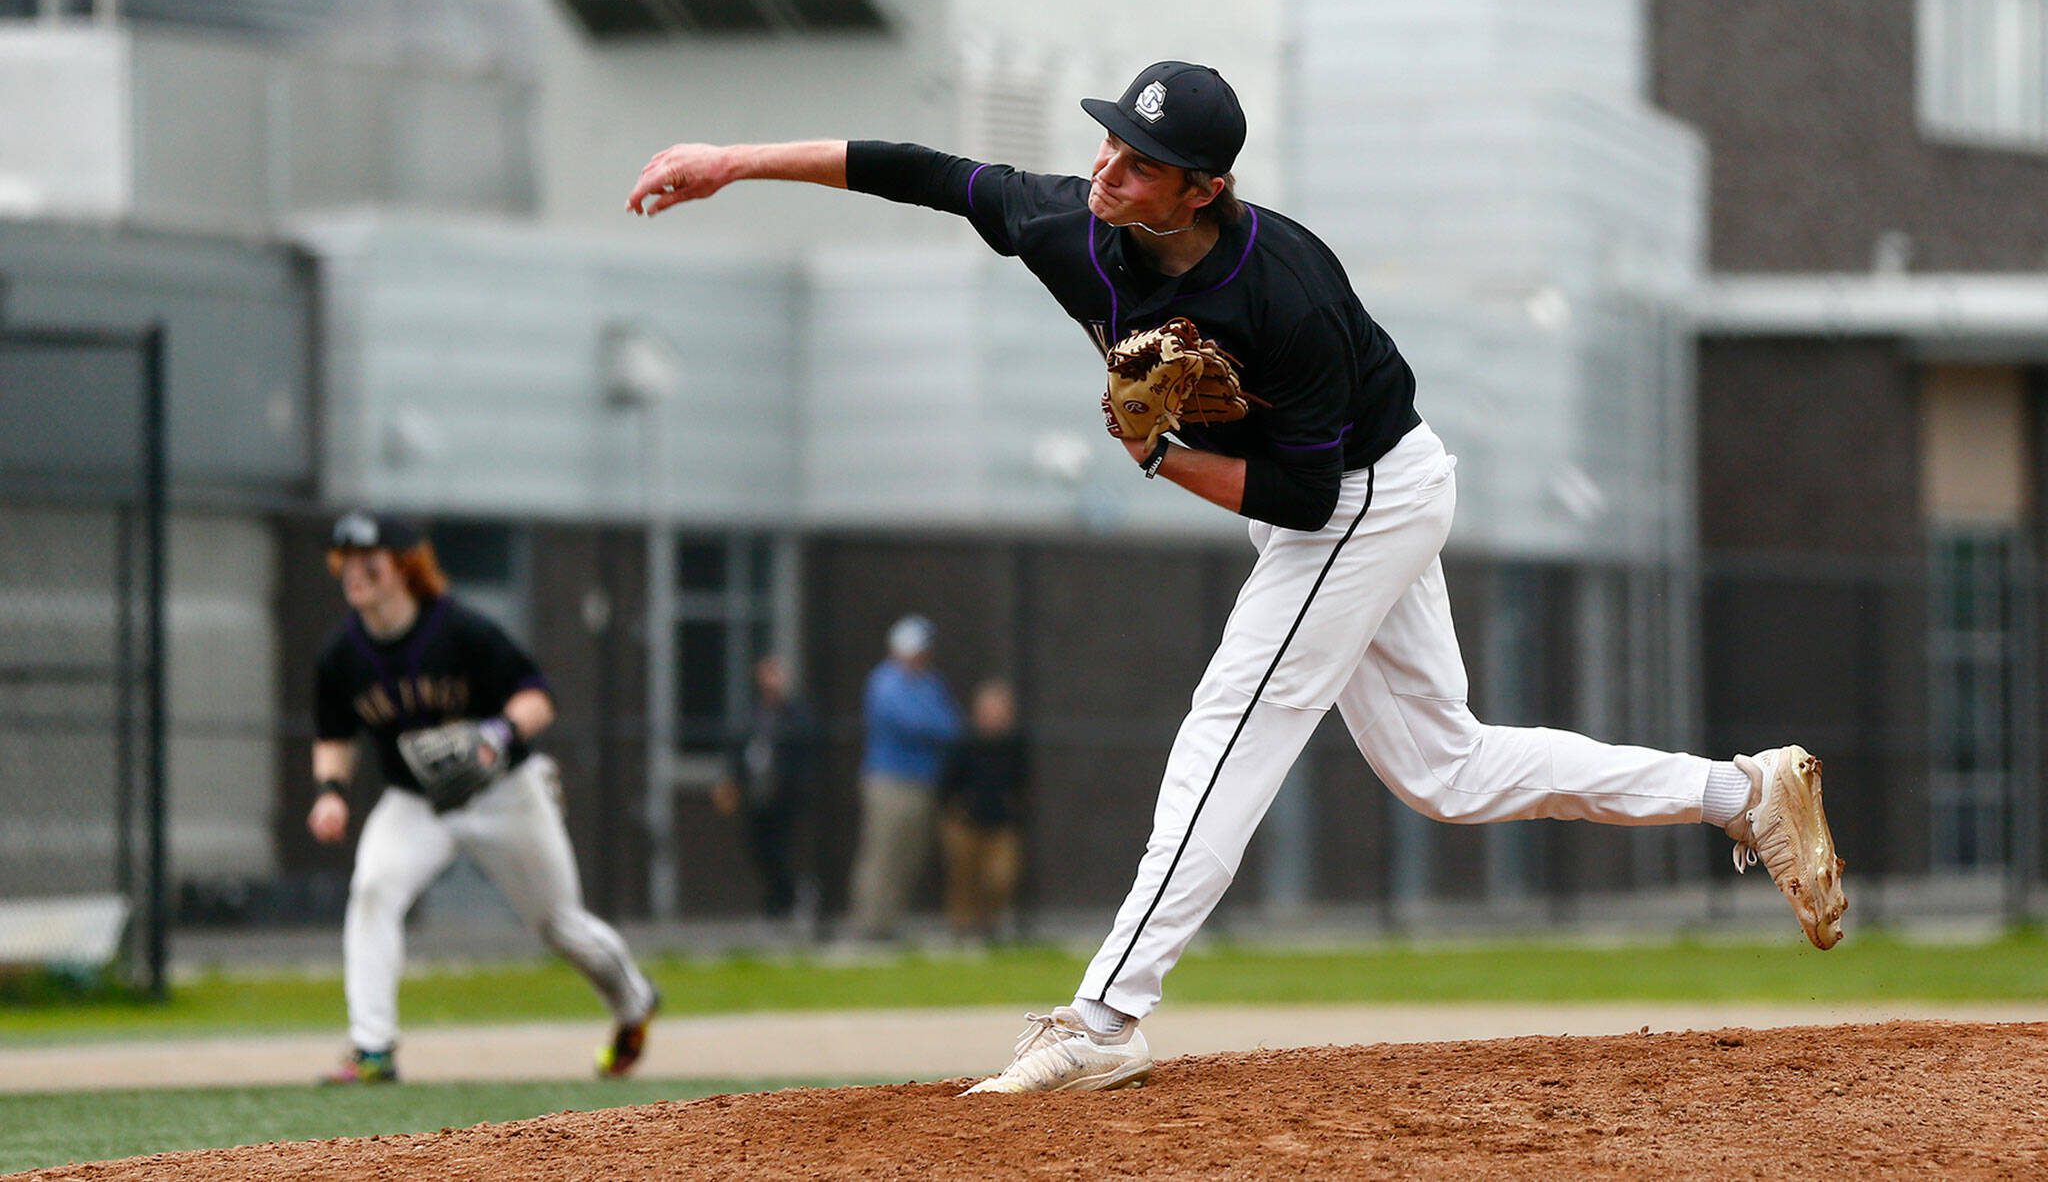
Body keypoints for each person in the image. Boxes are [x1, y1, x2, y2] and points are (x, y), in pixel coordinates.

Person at [622, 60, 1847, 1094]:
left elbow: (1306, 500)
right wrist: (734, 157)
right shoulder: (1071, 223)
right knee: (1444, 767)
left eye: (1140, 161)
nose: (1106, 170)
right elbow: (923, 171)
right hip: (1331, 500)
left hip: (1363, 493)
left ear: (1202, 188)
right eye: (1107, 142)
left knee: (1229, 725)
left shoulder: (1284, 289)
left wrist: (1158, 451)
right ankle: (1740, 792)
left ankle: (1103, 1018)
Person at [308, 509, 660, 1084]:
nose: (354, 573)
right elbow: (333, 735)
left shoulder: (459, 630)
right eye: (345, 562)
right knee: (373, 890)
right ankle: (372, 1048)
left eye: (368, 562)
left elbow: (537, 698)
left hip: (503, 792)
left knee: (557, 924)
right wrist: (331, 792)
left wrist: (497, 733)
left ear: (404, 566)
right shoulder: (340, 655)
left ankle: (634, 1001)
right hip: (416, 801)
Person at [843, 614, 963, 942]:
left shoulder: (930, 682)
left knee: (910, 856)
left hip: (922, 781)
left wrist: (930, 724)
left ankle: (890, 923)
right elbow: (910, 722)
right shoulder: (884, 681)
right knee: (882, 853)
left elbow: (949, 726)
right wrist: (929, 723)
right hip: (889, 782)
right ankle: (869, 924)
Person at [712, 654, 825, 939]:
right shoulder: (751, 712)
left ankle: (785, 901)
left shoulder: (795, 712)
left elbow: (805, 746)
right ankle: (781, 899)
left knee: (781, 848)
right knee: (759, 849)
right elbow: (736, 748)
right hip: (755, 793)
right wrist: (730, 781)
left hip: (784, 795)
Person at [938, 679, 1030, 946]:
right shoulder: (964, 742)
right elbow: (948, 783)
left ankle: (990, 924)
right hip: (966, 822)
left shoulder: (1012, 744)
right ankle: (963, 930)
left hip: (1001, 822)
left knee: (1000, 876)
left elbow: (1022, 781)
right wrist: (958, 808)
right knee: (963, 875)